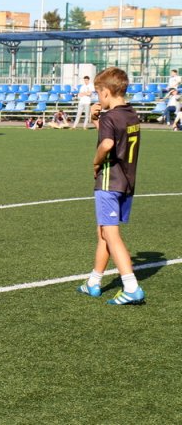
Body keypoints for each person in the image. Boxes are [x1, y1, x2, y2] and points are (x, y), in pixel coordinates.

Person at [77, 66, 145, 305]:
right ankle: (93, 282)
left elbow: (107, 144)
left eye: (98, 93)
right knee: (104, 233)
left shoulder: (110, 117)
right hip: (126, 180)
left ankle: (131, 286)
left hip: (109, 181)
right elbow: (115, 138)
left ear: (106, 92)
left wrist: (95, 163)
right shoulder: (131, 114)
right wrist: (96, 120)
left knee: (111, 235)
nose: (98, 97)